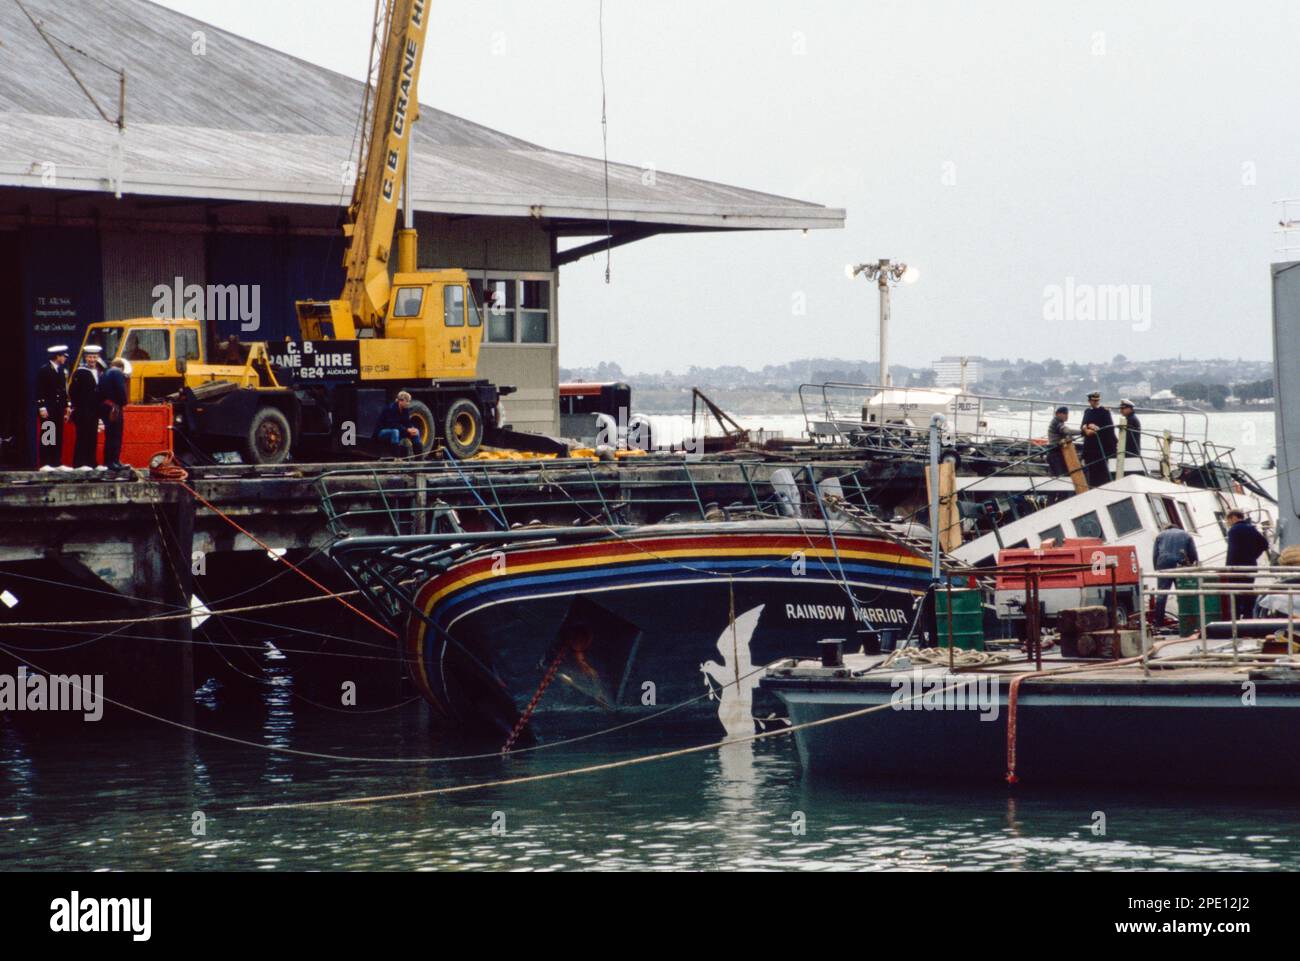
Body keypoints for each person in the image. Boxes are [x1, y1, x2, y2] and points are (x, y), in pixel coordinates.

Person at [1224, 509, 1270, 619]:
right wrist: (1253, 555)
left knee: (1235, 594)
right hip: (1250, 565)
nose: (1228, 523)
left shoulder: (1233, 530)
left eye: (1228, 520)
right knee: (1248, 591)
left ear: (1233, 517)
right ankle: (1248, 617)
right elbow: (1264, 544)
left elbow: (1232, 551)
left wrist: (1228, 567)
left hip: (1235, 567)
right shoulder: (1251, 528)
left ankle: (1235, 620)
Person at [1152, 522, 1199, 628]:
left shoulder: (1160, 535)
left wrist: (1157, 568)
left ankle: (1158, 623)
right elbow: (1193, 553)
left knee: (1161, 594)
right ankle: (1186, 621)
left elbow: (1155, 554)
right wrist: (1191, 564)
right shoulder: (1186, 534)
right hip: (1180, 564)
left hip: (1163, 564)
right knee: (1182, 593)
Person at [34, 345, 69, 469]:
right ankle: (45, 462)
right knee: (48, 433)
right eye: (63, 356)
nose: (65, 358)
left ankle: (56, 462)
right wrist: (41, 406)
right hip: (48, 407)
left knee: (58, 434)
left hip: (58, 408)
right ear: (57, 356)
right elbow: (40, 389)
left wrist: (66, 407)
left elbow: (63, 390)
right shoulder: (45, 370)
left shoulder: (60, 371)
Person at [68, 345, 104, 469]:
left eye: (94, 357)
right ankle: (80, 463)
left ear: (98, 357)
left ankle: (91, 463)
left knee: (92, 437)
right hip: (83, 410)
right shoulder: (80, 372)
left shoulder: (100, 372)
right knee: (82, 437)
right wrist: (77, 407)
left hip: (94, 410)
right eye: (89, 357)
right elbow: (73, 392)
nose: (92, 360)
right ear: (85, 358)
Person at [99, 358, 130, 471]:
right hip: (115, 408)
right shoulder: (117, 373)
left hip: (106, 407)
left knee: (109, 436)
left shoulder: (104, 374)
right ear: (122, 368)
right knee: (116, 435)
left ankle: (109, 461)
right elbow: (122, 391)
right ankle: (114, 462)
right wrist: (124, 402)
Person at [1079, 391, 1115, 487]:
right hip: (1089, 448)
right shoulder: (1087, 412)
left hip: (1100, 447)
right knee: (1090, 472)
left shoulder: (1105, 412)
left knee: (1101, 473)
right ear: (1089, 401)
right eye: (1093, 401)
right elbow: (1082, 427)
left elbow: (1109, 430)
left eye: (1097, 401)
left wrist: (1097, 429)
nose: (1095, 402)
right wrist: (1086, 430)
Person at [375, 391, 419, 456]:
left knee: (416, 432)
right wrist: (406, 430)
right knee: (395, 432)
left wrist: (412, 428)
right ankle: (396, 457)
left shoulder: (405, 409)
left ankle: (419, 457)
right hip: (383, 431)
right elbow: (392, 425)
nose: (408, 403)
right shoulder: (390, 408)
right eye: (407, 401)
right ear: (401, 401)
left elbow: (407, 422)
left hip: (398, 429)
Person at [1046, 405, 1082, 476]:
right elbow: (1067, 431)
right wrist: (1082, 432)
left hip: (1058, 450)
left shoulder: (1058, 422)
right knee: (1060, 474)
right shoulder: (1056, 423)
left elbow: (1065, 434)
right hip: (1055, 451)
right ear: (1058, 414)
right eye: (1064, 414)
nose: (1066, 416)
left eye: (1067, 413)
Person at [1117, 399, 1142, 470]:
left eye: (1123, 408)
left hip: (1131, 450)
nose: (1121, 410)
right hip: (1131, 450)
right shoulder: (1130, 418)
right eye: (1121, 408)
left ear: (1130, 409)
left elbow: (1128, 437)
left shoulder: (1131, 419)